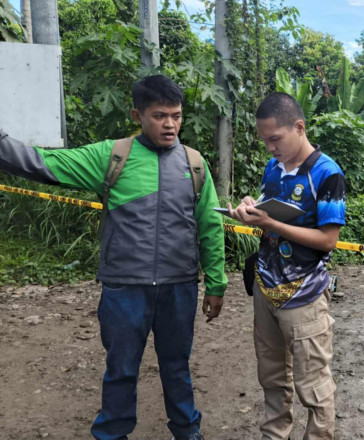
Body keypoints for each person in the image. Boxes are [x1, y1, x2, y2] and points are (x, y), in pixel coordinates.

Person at [0, 75, 227, 440]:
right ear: (138, 115)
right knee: (121, 368)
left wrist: (216, 283)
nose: (170, 125)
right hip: (125, 289)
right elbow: (41, 162)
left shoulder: (194, 164)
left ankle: (187, 431)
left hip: (179, 287)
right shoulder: (112, 155)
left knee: (177, 367)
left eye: (176, 116)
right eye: (159, 116)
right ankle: (112, 434)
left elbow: (210, 228)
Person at [228, 92, 346, 440]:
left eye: (275, 139)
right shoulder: (273, 168)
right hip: (266, 289)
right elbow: (269, 207)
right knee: (272, 377)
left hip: (305, 296)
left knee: (314, 385)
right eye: (265, 140)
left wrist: (272, 224)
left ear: (299, 127)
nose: (270, 148)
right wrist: (251, 207)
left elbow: (327, 241)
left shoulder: (327, 174)